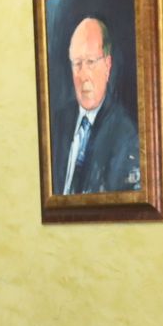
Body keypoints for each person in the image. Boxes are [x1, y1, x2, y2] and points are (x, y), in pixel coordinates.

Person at [52, 16, 141, 195]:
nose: (83, 75)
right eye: (77, 64)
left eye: (91, 62)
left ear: (107, 66)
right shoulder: (56, 123)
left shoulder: (126, 135)